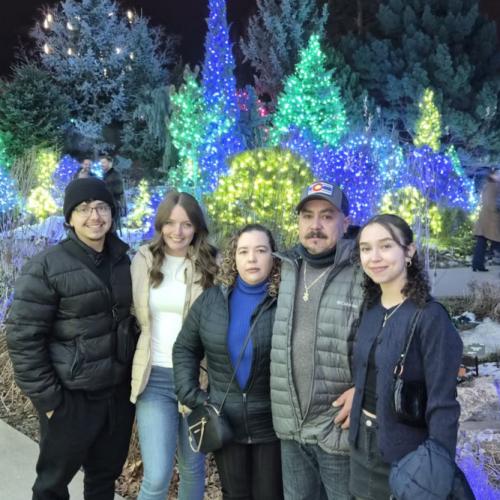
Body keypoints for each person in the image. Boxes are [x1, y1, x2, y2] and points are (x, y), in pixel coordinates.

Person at [6, 177, 135, 500]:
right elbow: (23, 338)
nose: (95, 216)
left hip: (116, 396)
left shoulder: (123, 261)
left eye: (102, 207)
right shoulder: (47, 266)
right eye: (84, 208)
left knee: (103, 480)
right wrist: (50, 402)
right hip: (71, 397)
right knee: (51, 485)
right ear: (69, 218)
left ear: (112, 213)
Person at [349, 213, 463, 499]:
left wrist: (435, 472)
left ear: (409, 251)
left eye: (386, 246)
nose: (374, 257)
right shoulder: (371, 308)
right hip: (361, 450)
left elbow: (443, 404)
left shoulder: (430, 317)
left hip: (410, 461)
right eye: (366, 248)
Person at [173, 224, 284, 500]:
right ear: (233, 257)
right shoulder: (212, 301)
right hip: (225, 421)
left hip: (272, 423)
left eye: (261, 250)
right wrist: (191, 395)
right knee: (235, 495)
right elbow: (185, 347)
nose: (252, 258)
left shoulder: (286, 301)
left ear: (273, 256)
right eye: (243, 251)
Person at [270, 181, 364, 500]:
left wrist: (367, 388)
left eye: (326, 216)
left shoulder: (363, 272)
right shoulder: (285, 268)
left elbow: (395, 338)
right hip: (292, 427)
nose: (315, 225)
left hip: (338, 427)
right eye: (307, 216)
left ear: (345, 223)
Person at [130, 191, 217, 500]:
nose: (177, 232)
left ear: (197, 227)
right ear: (160, 224)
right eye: (170, 223)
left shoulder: (210, 265)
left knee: (192, 468)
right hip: (153, 378)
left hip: (195, 379)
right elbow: (132, 313)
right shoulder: (143, 260)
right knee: (156, 477)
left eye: (186, 224)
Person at [472, 168, 500, 271]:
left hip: (484, 218)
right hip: (492, 219)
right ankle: (478, 264)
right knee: (496, 242)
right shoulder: (495, 186)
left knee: (481, 242)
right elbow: (493, 203)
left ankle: (477, 265)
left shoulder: (487, 185)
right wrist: (496, 209)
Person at [100, 155, 127, 226]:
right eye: (101, 163)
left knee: (112, 225)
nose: (102, 165)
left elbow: (118, 190)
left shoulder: (115, 175)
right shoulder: (106, 175)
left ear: (110, 163)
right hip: (109, 204)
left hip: (114, 204)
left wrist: (104, 192)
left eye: (104, 162)